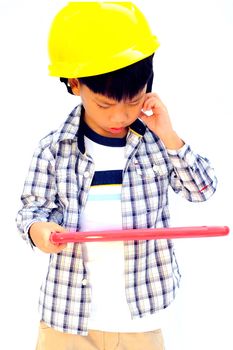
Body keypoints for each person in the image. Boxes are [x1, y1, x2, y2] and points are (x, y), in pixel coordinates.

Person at [16, 2, 217, 350]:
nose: (120, 116)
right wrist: (39, 231)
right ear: (76, 84)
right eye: (106, 105)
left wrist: (169, 135)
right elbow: (31, 213)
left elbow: (202, 189)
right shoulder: (53, 149)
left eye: (133, 100)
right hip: (67, 318)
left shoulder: (156, 142)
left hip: (141, 318)